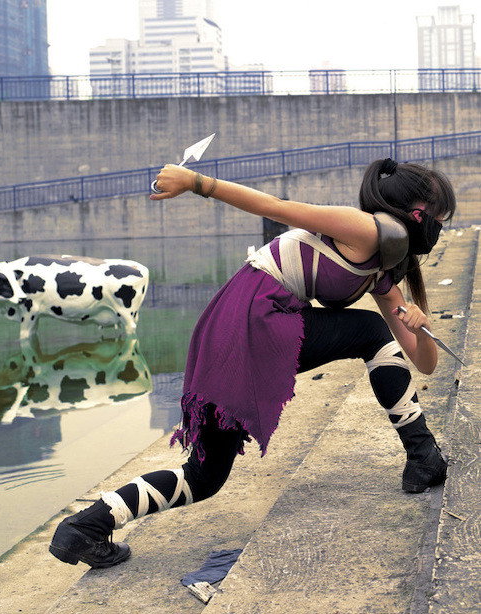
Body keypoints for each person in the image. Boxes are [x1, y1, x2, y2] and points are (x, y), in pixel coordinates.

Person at [49, 157, 456, 569]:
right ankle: (423, 456)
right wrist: (195, 182)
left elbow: (425, 364)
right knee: (368, 330)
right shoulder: (361, 228)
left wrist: (421, 327)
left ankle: (85, 527)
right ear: (415, 212)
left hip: (236, 333)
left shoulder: (382, 273)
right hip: (251, 320)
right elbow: (275, 207)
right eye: (439, 216)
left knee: (205, 477)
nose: (440, 225)